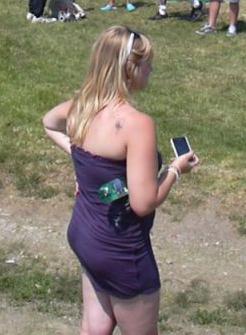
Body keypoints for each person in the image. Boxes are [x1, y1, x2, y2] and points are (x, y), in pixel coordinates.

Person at [42, 26, 199, 335]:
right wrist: (175, 169)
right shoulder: (137, 125)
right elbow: (143, 203)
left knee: (94, 329)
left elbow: (50, 123)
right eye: (147, 63)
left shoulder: (83, 106)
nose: (151, 69)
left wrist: (82, 165)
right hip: (121, 251)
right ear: (129, 68)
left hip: (85, 236)